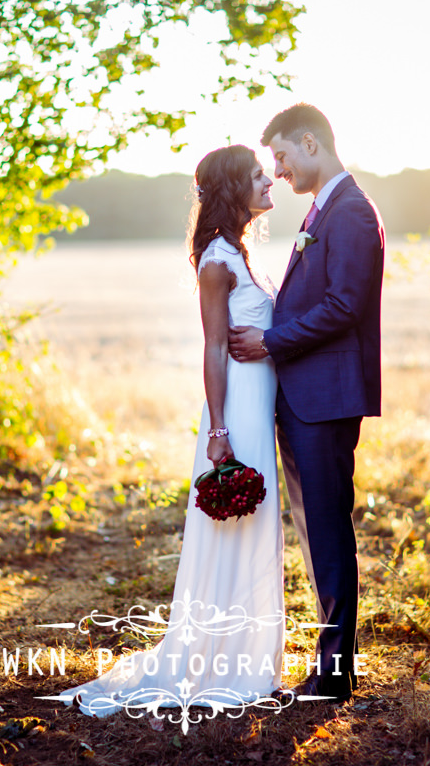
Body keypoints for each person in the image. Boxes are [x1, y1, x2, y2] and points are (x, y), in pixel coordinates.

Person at [59, 144, 285, 717]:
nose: (269, 181)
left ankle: (248, 649)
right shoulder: (217, 260)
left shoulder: (242, 252)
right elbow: (213, 347)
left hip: (260, 405)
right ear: (235, 187)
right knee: (236, 524)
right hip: (236, 411)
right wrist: (218, 429)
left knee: (255, 527)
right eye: (259, 175)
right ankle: (220, 655)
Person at [229, 103, 385, 703]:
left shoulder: (349, 214)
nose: (280, 171)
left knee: (326, 531)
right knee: (315, 533)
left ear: (311, 144)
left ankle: (336, 673)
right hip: (305, 399)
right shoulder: (327, 209)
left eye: (283, 157)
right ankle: (330, 665)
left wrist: (269, 340)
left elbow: (345, 307)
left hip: (323, 402)